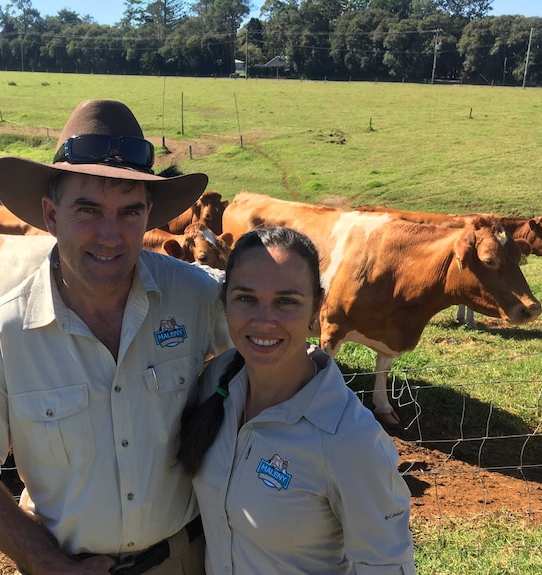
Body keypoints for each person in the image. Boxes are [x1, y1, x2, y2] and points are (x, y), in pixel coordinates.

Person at [0, 99, 232, 575]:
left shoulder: (196, 295)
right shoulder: (3, 335)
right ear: (51, 215)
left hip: (187, 559)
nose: (110, 235)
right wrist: (47, 564)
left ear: (150, 215)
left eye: (129, 212)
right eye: (88, 210)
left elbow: (278, 362)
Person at [177, 226, 416, 575]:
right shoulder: (218, 381)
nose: (263, 321)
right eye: (246, 298)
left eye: (286, 301)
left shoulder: (350, 439)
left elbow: (386, 565)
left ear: (316, 307)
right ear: (225, 300)